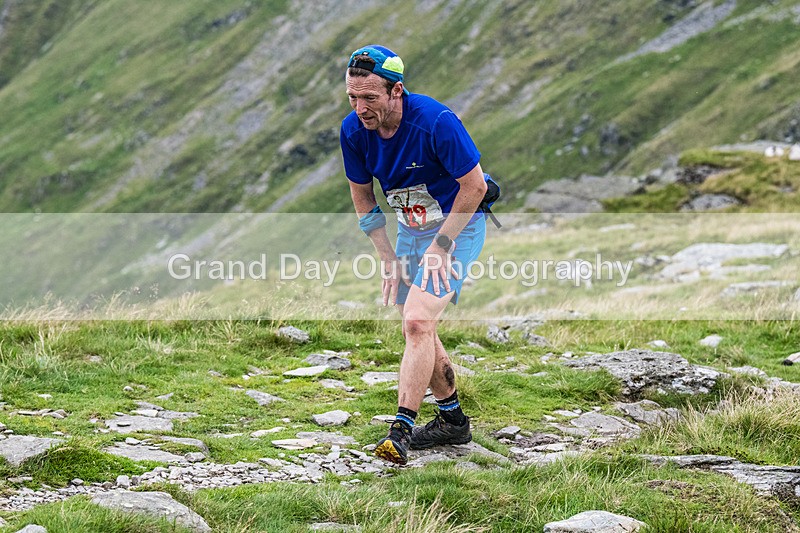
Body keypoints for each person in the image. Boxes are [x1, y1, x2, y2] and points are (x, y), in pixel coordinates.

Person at [339, 45, 491, 465]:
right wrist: (387, 257)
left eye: (370, 97)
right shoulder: (353, 131)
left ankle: (401, 430)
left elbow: (474, 187)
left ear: (397, 91)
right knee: (419, 328)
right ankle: (452, 422)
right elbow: (363, 198)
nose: (360, 108)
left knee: (419, 320)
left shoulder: (436, 122)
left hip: (458, 225)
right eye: (352, 98)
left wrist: (441, 248)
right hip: (410, 229)